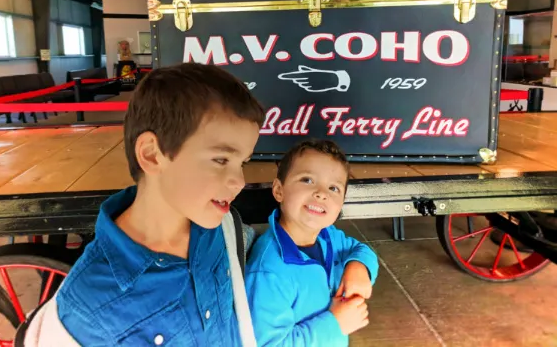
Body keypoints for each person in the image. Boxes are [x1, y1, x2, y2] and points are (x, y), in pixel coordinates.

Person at [21, 63, 265, 346]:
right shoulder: (84, 314)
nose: (239, 180)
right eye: (221, 160)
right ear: (151, 155)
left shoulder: (221, 229)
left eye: (242, 162)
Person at [245, 139, 379, 347]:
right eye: (307, 180)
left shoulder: (328, 236)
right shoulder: (269, 271)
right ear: (279, 190)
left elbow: (360, 249)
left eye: (333, 188)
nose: (321, 193)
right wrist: (336, 324)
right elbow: (268, 344)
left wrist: (359, 267)